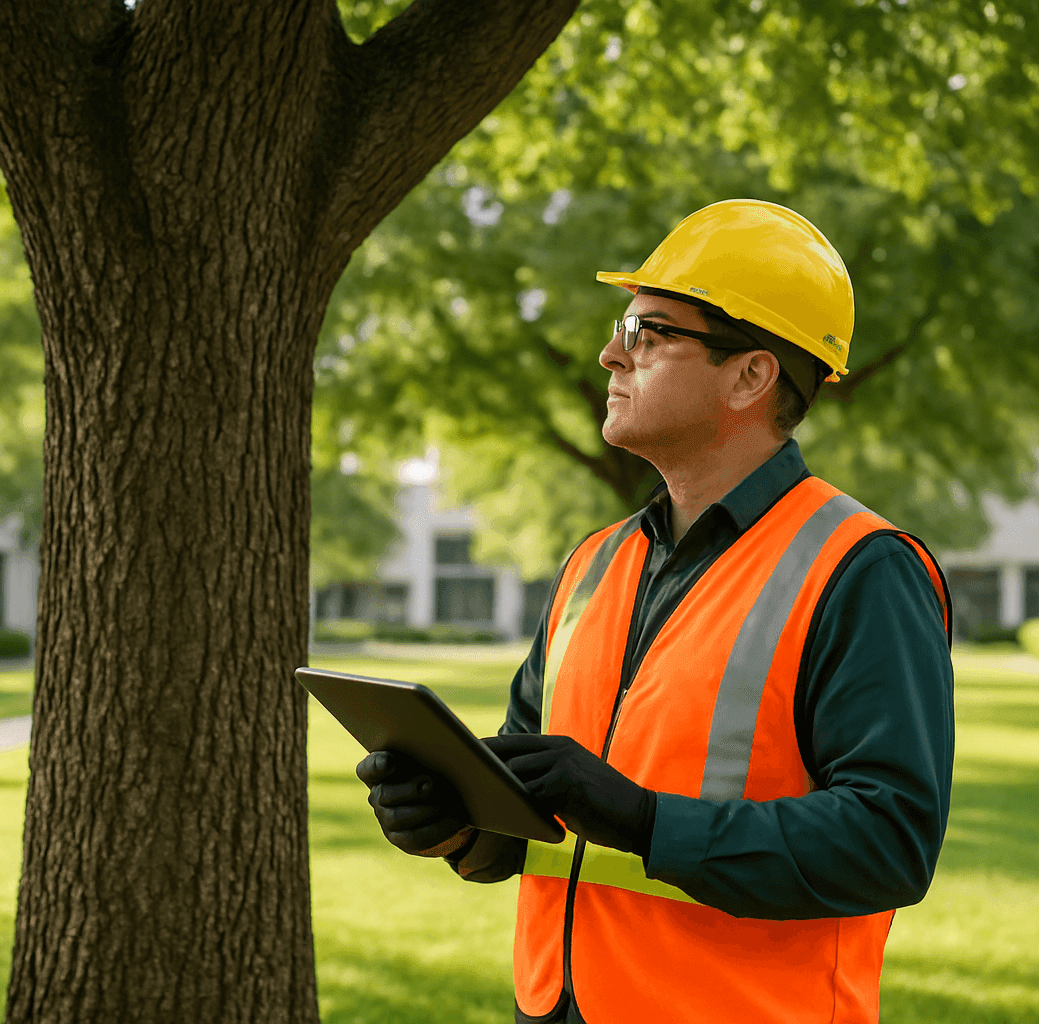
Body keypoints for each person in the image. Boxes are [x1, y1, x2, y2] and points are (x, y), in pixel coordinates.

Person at [357, 199, 955, 1024]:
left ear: (751, 375)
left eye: (648, 332)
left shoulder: (861, 568)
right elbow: (535, 816)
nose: (610, 354)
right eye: (621, 327)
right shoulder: (593, 566)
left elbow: (890, 840)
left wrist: (643, 819)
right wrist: (457, 825)